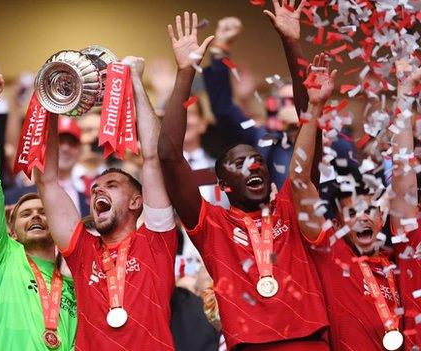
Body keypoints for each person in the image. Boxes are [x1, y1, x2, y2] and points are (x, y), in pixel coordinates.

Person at [158, 12, 329, 350]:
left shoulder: (290, 206)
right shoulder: (212, 225)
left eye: (257, 160)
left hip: (309, 343)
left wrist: (291, 43)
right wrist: (186, 73)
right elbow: (168, 156)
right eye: (239, 163)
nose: (253, 164)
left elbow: (308, 126)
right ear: (224, 185)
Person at [36, 54, 178, 350]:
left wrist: (136, 81)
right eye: (96, 188)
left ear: (137, 202)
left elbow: (152, 158)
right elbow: (48, 182)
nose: (98, 191)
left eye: (112, 185)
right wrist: (51, 102)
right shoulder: (82, 251)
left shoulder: (156, 240)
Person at [293, 56, 421, 350]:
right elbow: (300, 184)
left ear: (383, 219)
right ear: (336, 225)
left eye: (371, 210)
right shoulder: (333, 260)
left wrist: (405, 93)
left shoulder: (403, 259)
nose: (364, 218)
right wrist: (314, 109)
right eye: (352, 212)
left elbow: (404, 182)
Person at [0, 73, 77, 350]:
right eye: (26, 213)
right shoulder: (1, 257)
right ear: (11, 231)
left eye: (43, 212)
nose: (35, 216)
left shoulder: (74, 288)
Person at [203, 2, 311, 188]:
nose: (288, 107)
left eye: (294, 101)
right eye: (283, 102)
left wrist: (308, 126)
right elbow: (224, 111)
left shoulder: (330, 142)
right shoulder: (263, 140)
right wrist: (220, 49)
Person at [5, 116, 90, 216]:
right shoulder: (13, 198)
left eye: (72, 143)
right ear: (43, 146)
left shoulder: (88, 202)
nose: (65, 148)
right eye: (58, 141)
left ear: (80, 150)